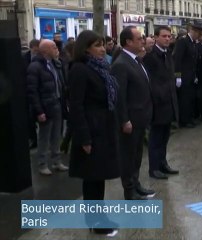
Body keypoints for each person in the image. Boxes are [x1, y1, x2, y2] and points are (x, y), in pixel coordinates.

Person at [68, 30, 119, 235]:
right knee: (91, 179)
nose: (102, 48)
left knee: (99, 177)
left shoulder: (101, 67)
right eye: (97, 45)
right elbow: (76, 106)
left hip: (103, 127)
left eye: (102, 44)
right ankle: (94, 221)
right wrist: (84, 137)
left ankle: (101, 216)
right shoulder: (80, 70)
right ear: (86, 47)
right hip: (91, 129)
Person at [111, 26, 155, 199]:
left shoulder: (137, 60)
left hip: (141, 117)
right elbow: (119, 97)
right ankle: (128, 189)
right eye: (139, 38)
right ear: (128, 42)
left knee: (137, 155)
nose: (142, 41)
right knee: (128, 156)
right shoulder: (121, 64)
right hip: (130, 119)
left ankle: (136, 184)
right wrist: (124, 120)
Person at [27, 39, 68, 175]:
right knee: (44, 137)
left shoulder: (54, 64)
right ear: (45, 50)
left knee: (56, 135)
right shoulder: (35, 67)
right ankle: (42, 164)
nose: (56, 49)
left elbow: (60, 84)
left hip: (56, 104)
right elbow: (32, 91)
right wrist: (39, 111)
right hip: (45, 107)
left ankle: (56, 161)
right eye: (53, 47)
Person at [143, 26, 180, 180]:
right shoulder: (150, 57)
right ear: (156, 37)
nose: (167, 39)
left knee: (165, 136)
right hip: (158, 104)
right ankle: (154, 168)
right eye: (164, 36)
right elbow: (151, 82)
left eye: (169, 36)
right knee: (156, 138)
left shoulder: (168, 54)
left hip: (169, 101)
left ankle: (163, 163)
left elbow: (171, 76)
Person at [173, 23, 202, 128]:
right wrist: (178, 77)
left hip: (191, 76)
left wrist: (195, 75)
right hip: (183, 76)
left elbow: (193, 61)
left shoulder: (193, 43)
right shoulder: (183, 42)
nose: (199, 36)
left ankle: (189, 118)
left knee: (190, 98)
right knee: (184, 100)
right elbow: (177, 60)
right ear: (193, 31)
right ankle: (184, 120)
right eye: (198, 33)